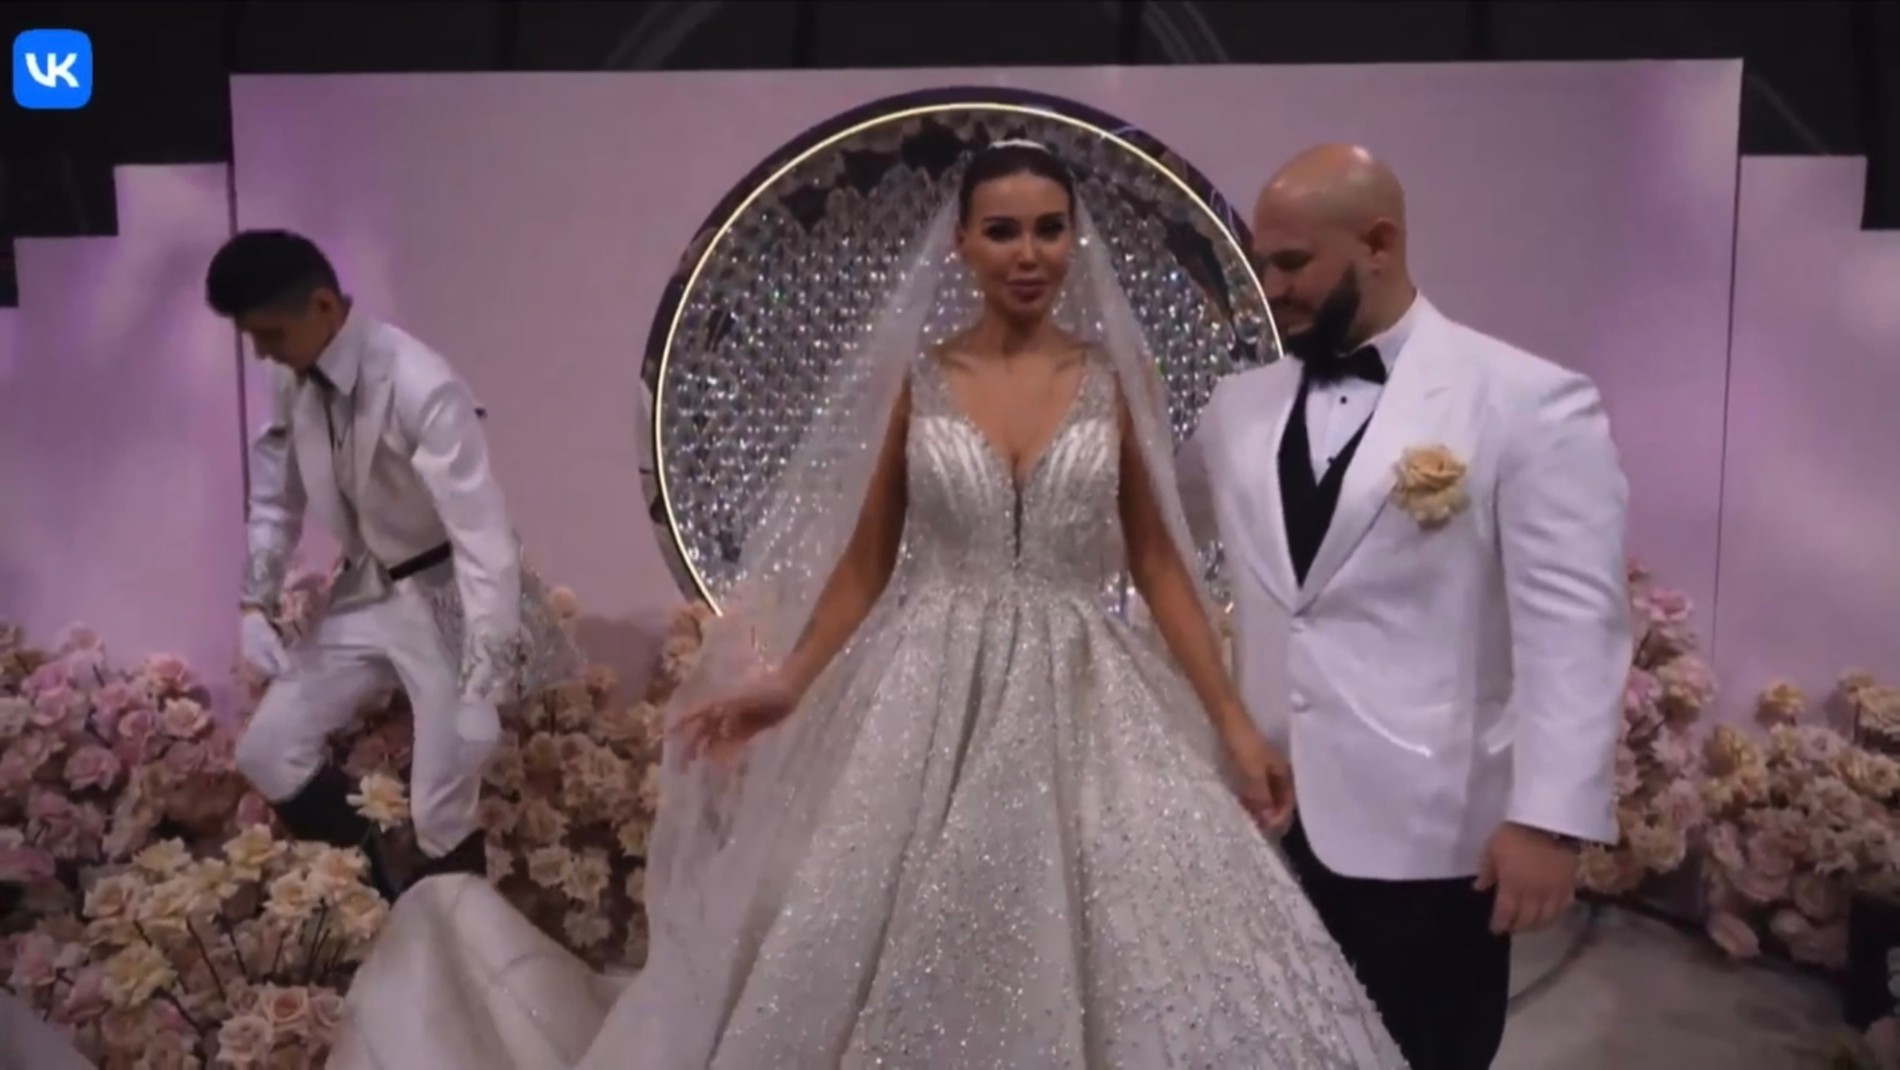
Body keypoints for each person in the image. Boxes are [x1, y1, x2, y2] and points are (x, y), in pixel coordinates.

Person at [321, 141, 1406, 1068]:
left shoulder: (1116, 379)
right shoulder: (918, 380)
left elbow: (1161, 562)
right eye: (1002, 231)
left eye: (1048, 229)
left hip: (1089, 685)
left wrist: (1229, 723)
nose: (1028, 252)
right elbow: (865, 563)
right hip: (926, 688)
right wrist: (788, 681)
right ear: (962, 244)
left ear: (1073, 239)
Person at [1177, 143, 1632, 1070]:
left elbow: (1575, 628)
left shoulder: (1526, 399)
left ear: (1379, 244)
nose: (1271, 288)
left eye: (1292, 263)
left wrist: (1549, 819)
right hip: (1259, 821)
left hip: (1433, 833)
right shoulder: (1234, 407)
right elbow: (1154, 535)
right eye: (1264, 263)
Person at [210, 230, 576, 897]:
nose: (261, 351)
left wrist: (485, 678)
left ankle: (453, 953)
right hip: (367, 588)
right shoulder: (288, 374)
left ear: (323, 306)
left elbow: (483, 537)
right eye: (252, 338)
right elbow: (275, 498)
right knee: (267, 751)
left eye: (270, 334)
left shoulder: (420, 382)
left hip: (452, 595)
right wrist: (254, 602)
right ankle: (391, 893)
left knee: (441, 812)